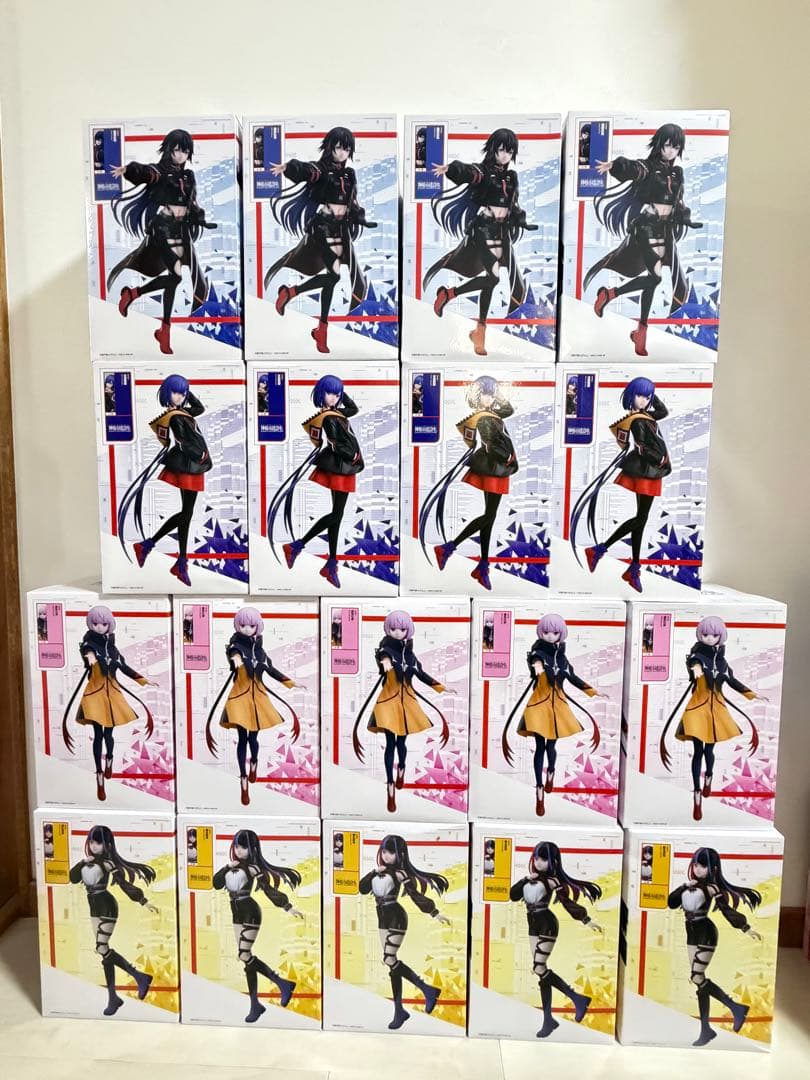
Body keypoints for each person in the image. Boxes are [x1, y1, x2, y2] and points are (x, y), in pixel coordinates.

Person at [584, 123, 702, 357]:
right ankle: (611, 295)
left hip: (665, 230)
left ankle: (640, 331)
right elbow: (635, 169)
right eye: (667, 145)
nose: (671, 151)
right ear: (659, 145)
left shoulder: (678, 173)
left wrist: (685, 218)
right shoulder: (649, 167)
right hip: (646, 227)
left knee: (652, 281)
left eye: (675, 147)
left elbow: (678, 201)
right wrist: (616, 165)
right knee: (655, 278)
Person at [424, 128, 536, 357]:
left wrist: (521, 219)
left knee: (496, 283)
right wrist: (453, 170)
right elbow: (471, 173)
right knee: (493, 278)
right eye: (501, 150)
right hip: (483, 229)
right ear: (493, 149)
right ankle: (452, 296)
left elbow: (512, 204)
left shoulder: (512, 177)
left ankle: (478, 332)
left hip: (502, 231)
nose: (504, 155)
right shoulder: (484, 172)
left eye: (509, 151)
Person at [265, 126, 376, 355]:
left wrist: (360, 218)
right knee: (333, 276)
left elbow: (352, 202)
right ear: (330, 147)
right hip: (323, 227)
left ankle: (311, 318)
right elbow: (310, 171)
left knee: (333, 280)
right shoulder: (322, 169)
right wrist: (291, 168)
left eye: (347, 149)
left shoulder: (350, 174)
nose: (342, 152)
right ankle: (303, 307)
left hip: (341, 229)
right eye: (339, 147)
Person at [108, 129, 215, 355]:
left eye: (185, 151)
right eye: (177, 150)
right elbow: (147, 173)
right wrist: (130, 170)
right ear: (169, 150)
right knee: (175, 277)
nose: (181, 155)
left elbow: (192, 202)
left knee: (182, 281)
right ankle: (157, 320)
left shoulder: (189, 176)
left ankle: (152, 317)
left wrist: (200, 218)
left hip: (181, 230)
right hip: (163, 228)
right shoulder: (161, 171)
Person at [570, 376, 670, 593]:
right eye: (640, 395)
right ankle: (600, 549)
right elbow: (642, 448)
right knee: (640, 519)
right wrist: (660, 459)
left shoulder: (645, 415)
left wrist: (652, 392)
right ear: (631, 396)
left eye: (647, 397)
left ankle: (633, 568)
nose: (644, 400)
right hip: (648, 471)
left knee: (641, 520)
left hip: (651, 471)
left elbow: (663, 412)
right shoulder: (638, 421)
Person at [659, 618, 765, 820]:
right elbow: (697, 674)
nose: (709, 638)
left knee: (709, 750)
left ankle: (709, 776)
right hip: (698, 709)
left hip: (716, 711)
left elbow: (733, 681)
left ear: (720, 637)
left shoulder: (723, 663)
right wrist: (698, 671)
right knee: (698, 751)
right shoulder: (696, 658)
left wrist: (752, 694)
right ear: (700, 635)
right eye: (705, 634)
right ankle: (697, 793)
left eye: (714, 635)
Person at [421, 376, 518, 591]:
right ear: (477, 397)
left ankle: (482, 567)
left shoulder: (492, 413)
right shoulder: (484, 418)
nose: (488, 398)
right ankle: (449, 547)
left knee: (489, 519)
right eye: (484, 394)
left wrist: (497, 392)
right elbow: (491, 445)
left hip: (497, 468)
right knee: (489, 516)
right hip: (495, 468)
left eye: (491, 395)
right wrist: (507, 457)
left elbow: (509, 409)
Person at [352, 610, 454, 813]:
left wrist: (442, 687)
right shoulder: (386, 650)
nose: (397, 632)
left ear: (408, 630)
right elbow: (384, 659)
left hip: (407, 703)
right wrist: (385, 662)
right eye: (393, 628)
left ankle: (402, 768)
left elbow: (422, 674)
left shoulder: (411, 656)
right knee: (390, 743)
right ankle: (390, 784)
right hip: (389, 702)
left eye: (401, 629)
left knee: (401, 743)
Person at [61, 605, 158, 802]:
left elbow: (125, 668)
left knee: (108, 734)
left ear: (109, 625)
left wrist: (144, 680)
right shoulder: (88, 644)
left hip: (112, 694)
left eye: (103, 624)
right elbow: (87, 653)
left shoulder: (113, 650)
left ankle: (110, 758)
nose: (99, 627)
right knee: (98, 735)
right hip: (95, 695)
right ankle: (99, 775)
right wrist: (90, 658)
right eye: (95, 623)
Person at [668, 847, 762, 1046]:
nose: (698, 869)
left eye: (703, 865)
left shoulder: (712, 888)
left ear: (713, 869)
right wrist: (684, 885)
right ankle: (706, 1029)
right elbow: (671, 903)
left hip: (706, 933)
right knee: (699, 980)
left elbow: (726, 910)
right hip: (691, 934)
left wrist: (745, 927)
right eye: (696, 864)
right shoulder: (687, 886)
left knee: (696, 977)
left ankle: (735, 1008)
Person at [510, 841, 602, 1038]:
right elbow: (513, 895)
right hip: (532, 925)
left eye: (543, 859)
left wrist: (586, 919)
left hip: (547, 924)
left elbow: (567, 902)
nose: (539, 862)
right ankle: (549, 1020)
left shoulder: (552, 881)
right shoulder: (529, 879)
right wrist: (525, 878)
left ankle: (577, 999)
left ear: (552, 861)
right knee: (541, 972)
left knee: (538, 968)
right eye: (537, 858)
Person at [358, 834, 451, 1030]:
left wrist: (434, 912)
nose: (386, 855)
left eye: (390, 852)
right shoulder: (377, 872)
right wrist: (374, 871)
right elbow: (362, 889)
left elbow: (415, 895)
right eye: (384, 851)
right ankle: (400, 1010)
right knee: (391, 964)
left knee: (389, 958)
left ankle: (426, 989)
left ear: (399, 854)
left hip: (396, 917)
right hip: (382, 919)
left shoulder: (400, 874)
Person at [213, 830, 303, 1024]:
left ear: (252, 849)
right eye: (237, 846)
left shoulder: (253, 868)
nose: (239, 850)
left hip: (250, 911)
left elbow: (267, 889)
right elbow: (216, 883)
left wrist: (287, 906)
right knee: (246, 958)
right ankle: (255, 1004)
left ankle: (282, 984)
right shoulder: (230, 867)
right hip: (236, 913)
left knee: (244, 954)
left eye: (243, 847)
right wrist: (227, 866)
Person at [69, 825, 158, 1016]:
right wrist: (82, 862)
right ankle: (113, 997)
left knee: (101, 947)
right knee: (104, 951)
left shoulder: (108, 864)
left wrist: (143, 901)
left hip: (107, 905)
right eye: (91, 842)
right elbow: (73, 878)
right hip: (94, 907)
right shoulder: (85, 863)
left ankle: (139, 977)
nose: (94, 846)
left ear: (107, 845)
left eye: (98, 842)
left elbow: (124, 884)